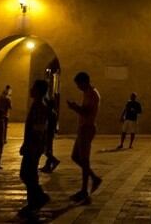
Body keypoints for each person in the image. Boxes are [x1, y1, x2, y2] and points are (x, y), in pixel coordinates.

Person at [67, 72, 102, 203]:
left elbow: (87, 112)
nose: (78, 87)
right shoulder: (87, 93)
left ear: (84, 82)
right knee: (75, 157)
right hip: (83, 128)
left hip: (87, 128)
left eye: (78, 84)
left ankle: (84, 191)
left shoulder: (92, 94)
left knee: (84, 159)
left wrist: (74, 107)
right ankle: (94, 178)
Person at [18, 80, 51, 216]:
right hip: (33, 145)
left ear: (38, 90)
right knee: (29, 174)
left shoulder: (39, 106)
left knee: (26, 173)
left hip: (33, 146)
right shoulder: (37, 105)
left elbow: (38, 128)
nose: (30, 89)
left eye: (33, 87)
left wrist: (30, 145)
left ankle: (39, 198)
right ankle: (34, 201)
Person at [40, 93, 61, 173]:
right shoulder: (53, 113)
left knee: (45, 149)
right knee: (49, 149)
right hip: (50, 133)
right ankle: (48, 165)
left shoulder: (50, 113)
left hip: (48, 133)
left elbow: (47, 124)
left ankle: (54, 161)